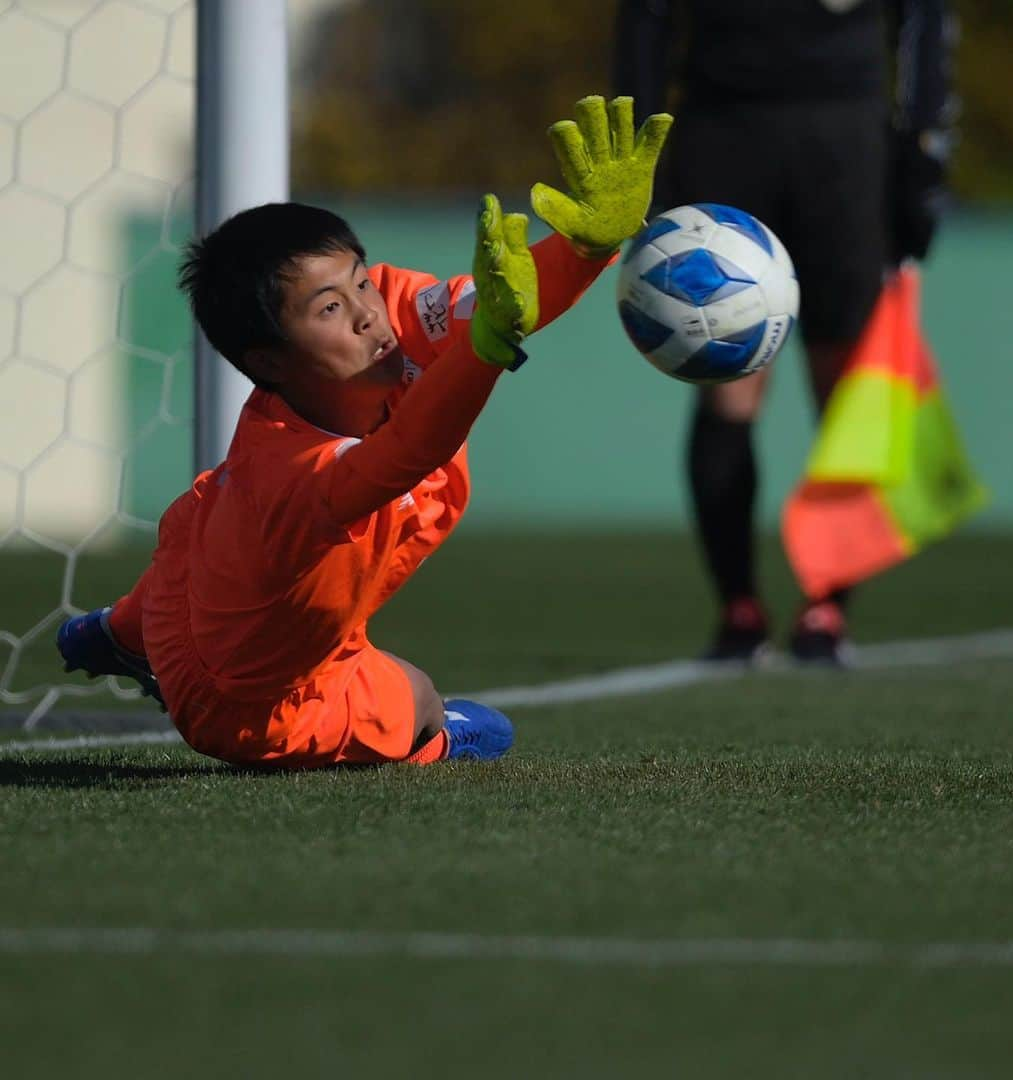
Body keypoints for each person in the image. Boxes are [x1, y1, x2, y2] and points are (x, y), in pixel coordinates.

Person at [56, 96, 673, 768]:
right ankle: (431, 739)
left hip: (208, 589)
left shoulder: (385, 309)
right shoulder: (293, 474)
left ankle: (119, 632)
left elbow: (493, 306)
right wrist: (484, 354)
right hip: (248, 702)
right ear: (266, 360)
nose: (365, 314)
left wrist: (587, 249)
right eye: (329, 308)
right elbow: (406, 452)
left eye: (360, 283)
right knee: (422, 694)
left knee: (207, 533)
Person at [614, 0, 953, 663]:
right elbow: (646, 17)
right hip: (723, 129)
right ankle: (739, 607)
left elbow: (925, 18)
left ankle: (827, 603)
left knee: (847, 390)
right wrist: (638, 141)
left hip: (844, 138)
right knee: (727, 385)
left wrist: (924, 149)